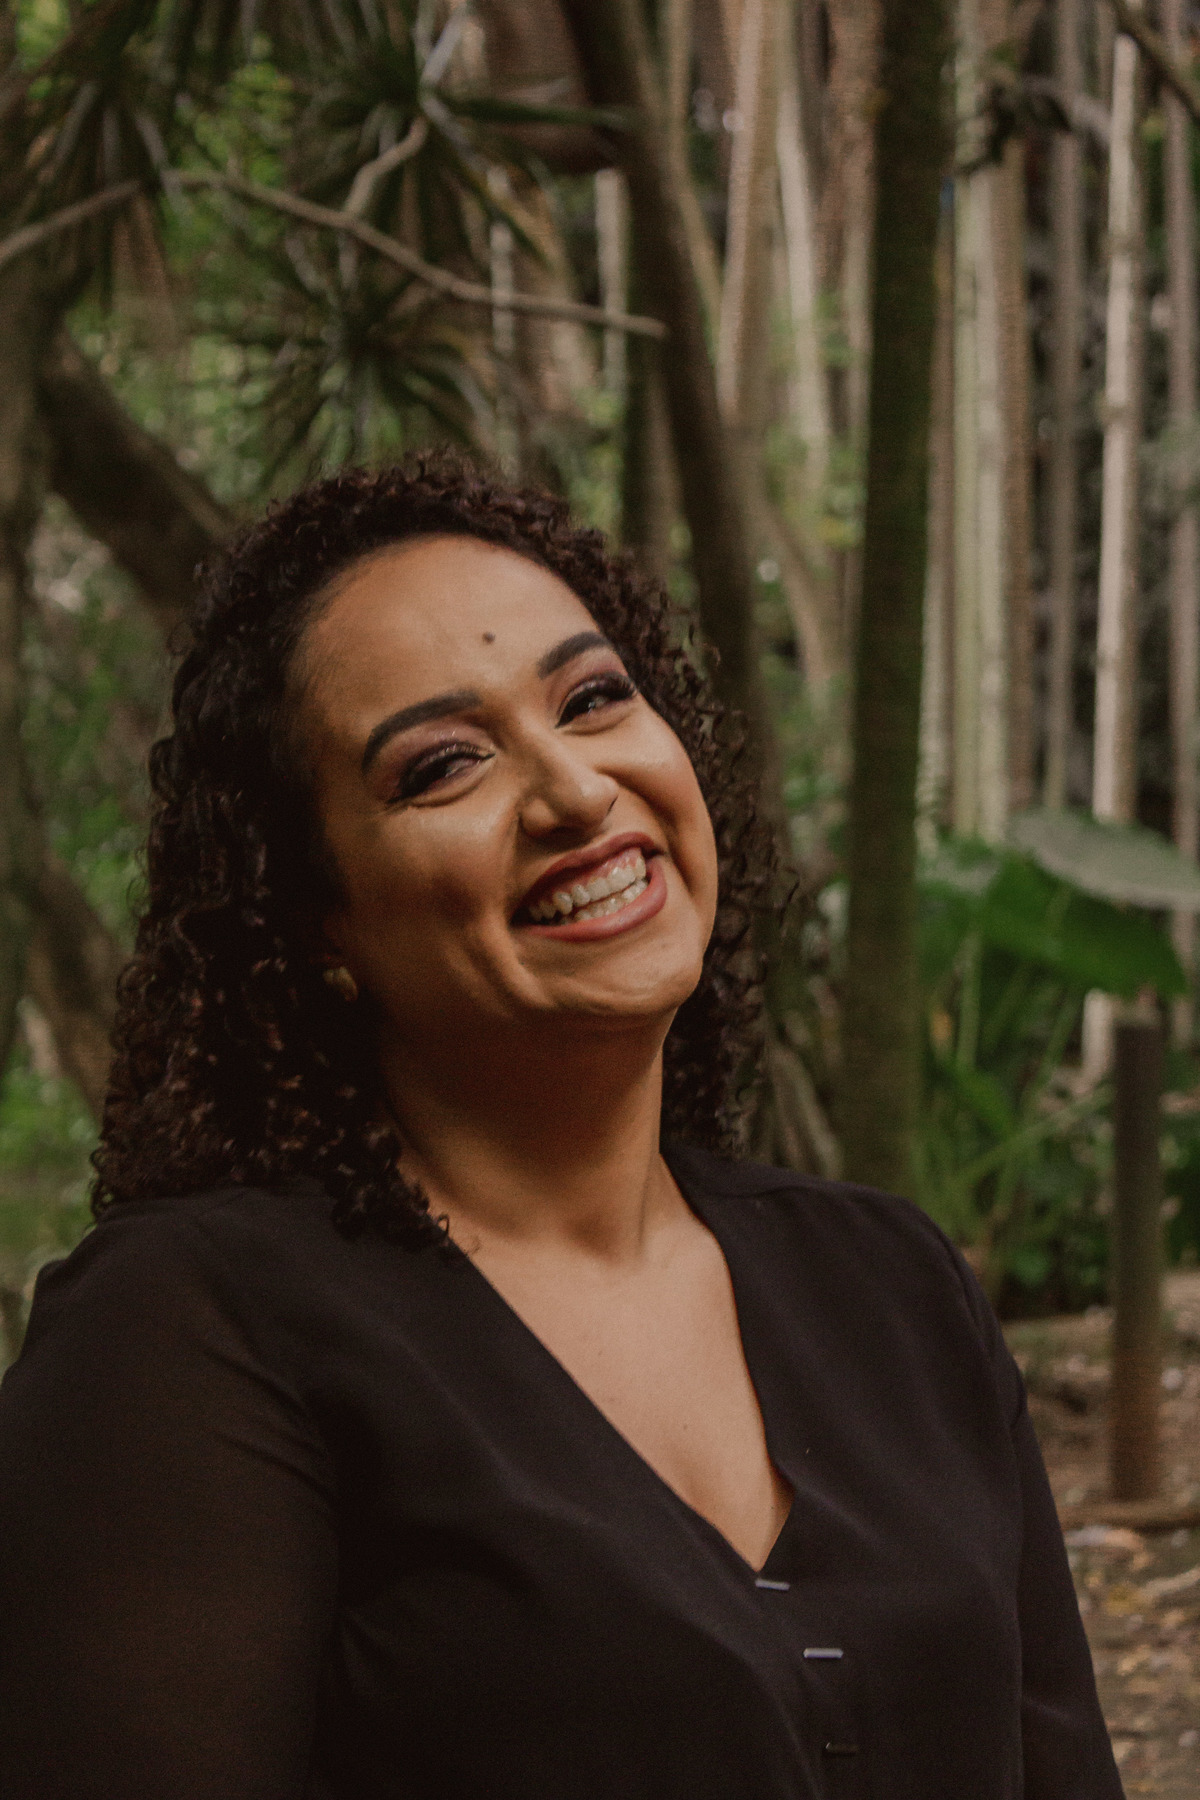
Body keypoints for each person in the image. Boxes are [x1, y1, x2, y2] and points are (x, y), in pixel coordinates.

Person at [0, 456, 1121, 1800]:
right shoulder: (189, 1331)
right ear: (320, 927)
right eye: (442, 765)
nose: (577, 793)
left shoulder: (893, 1287)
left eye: (594, 699)